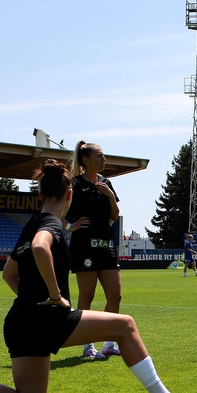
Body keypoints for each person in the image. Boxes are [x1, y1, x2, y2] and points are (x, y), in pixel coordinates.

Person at [0, 159, 197, 393]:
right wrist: (55, 296)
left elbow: (8, 274)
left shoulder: (31, 223)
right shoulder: (51, 225)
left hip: (20, 321)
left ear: (40, 195)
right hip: (46, 318)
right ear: (70, 195)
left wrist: (31, 300)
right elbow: (40, 247)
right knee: (125, 325)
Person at [65, 141, 122, 361]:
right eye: (100, 156)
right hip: (84, 247)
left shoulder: (106, 183)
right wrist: (70, 226)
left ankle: (109, 343)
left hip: (106, 245)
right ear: (86, 161)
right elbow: (55, 210)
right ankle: (87, 345)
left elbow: (114, 216)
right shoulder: (75, 184)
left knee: (115, 295)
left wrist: (109, 195)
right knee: (87, 296)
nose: (104, 159)